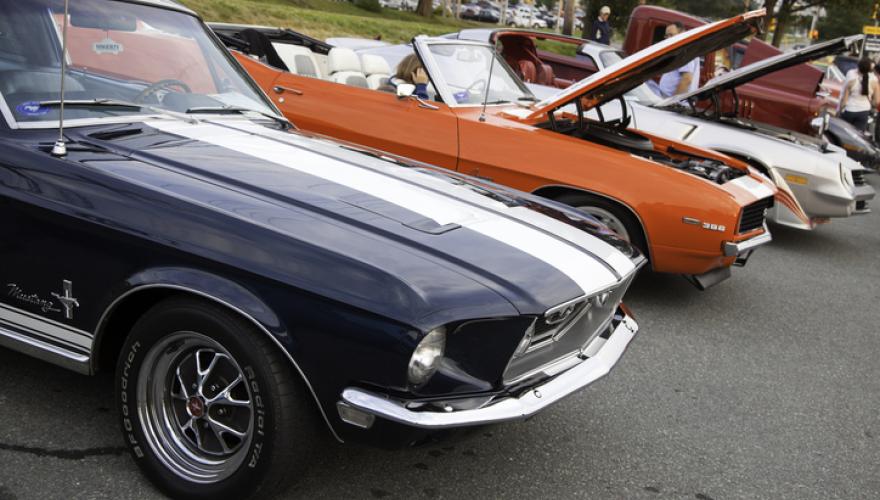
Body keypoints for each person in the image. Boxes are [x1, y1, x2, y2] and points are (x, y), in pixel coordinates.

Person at [649, 22, 700, 98]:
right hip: (666, 97)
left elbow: (687, 79)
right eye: (666, 36)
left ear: (682, 34)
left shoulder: (684, 51)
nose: (668, 38)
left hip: (672, 100)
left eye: (671, 35)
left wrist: (673, 101)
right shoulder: (680, 50)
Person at [838, 58, 879, 132]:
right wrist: (871, 103)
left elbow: (844, 101)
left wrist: (839, 111)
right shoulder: (874, 82)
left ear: (858, 67)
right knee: (858, 135)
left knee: (844, 133)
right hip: (864, 112)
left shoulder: (851, 81)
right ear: (869, 69)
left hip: (849, 110)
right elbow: (876, 101)